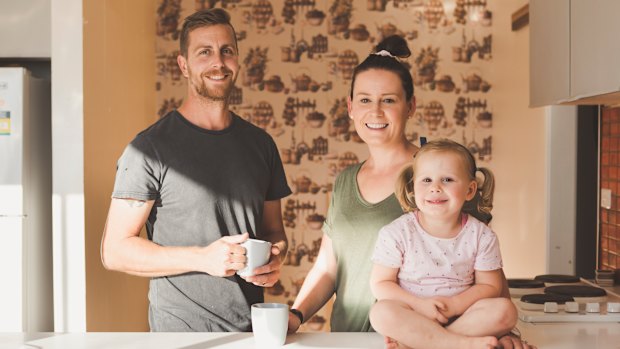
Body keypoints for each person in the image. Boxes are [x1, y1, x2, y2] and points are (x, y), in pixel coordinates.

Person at [286, 35, 536, 349]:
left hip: (434, 336)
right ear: (350, 107)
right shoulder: (345, 181)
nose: (375, 111)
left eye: (388, 100)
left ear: (410, 106)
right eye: (364, 100)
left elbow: (485, 268)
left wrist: (507, 333)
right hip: (351, 338)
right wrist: (295, 314)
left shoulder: (437, 177)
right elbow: (327, 266)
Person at [100, 8, 291, 332]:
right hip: (180, 337)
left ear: (237, 60)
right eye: (205, 52)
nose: (218, 62)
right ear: (183, 65)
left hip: (252, 334)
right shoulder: (148, 149)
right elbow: (114, 251)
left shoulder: (262, 145)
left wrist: (275, 259)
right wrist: (203, 258)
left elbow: (274, 232)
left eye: (226, 51)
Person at [369, 139, 517, 349]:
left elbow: (491, 286)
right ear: (413, 187)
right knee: (380, 313)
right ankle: (456, 344)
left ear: (470, 190)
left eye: (447, 179)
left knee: (506, 310)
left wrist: (454, 305)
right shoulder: (397, 233)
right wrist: (420, 305)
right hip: (412, 315)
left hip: (464, 318)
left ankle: (424, 344)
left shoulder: (481, 235)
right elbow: (381, 284)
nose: (435, 188)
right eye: (426, 180)